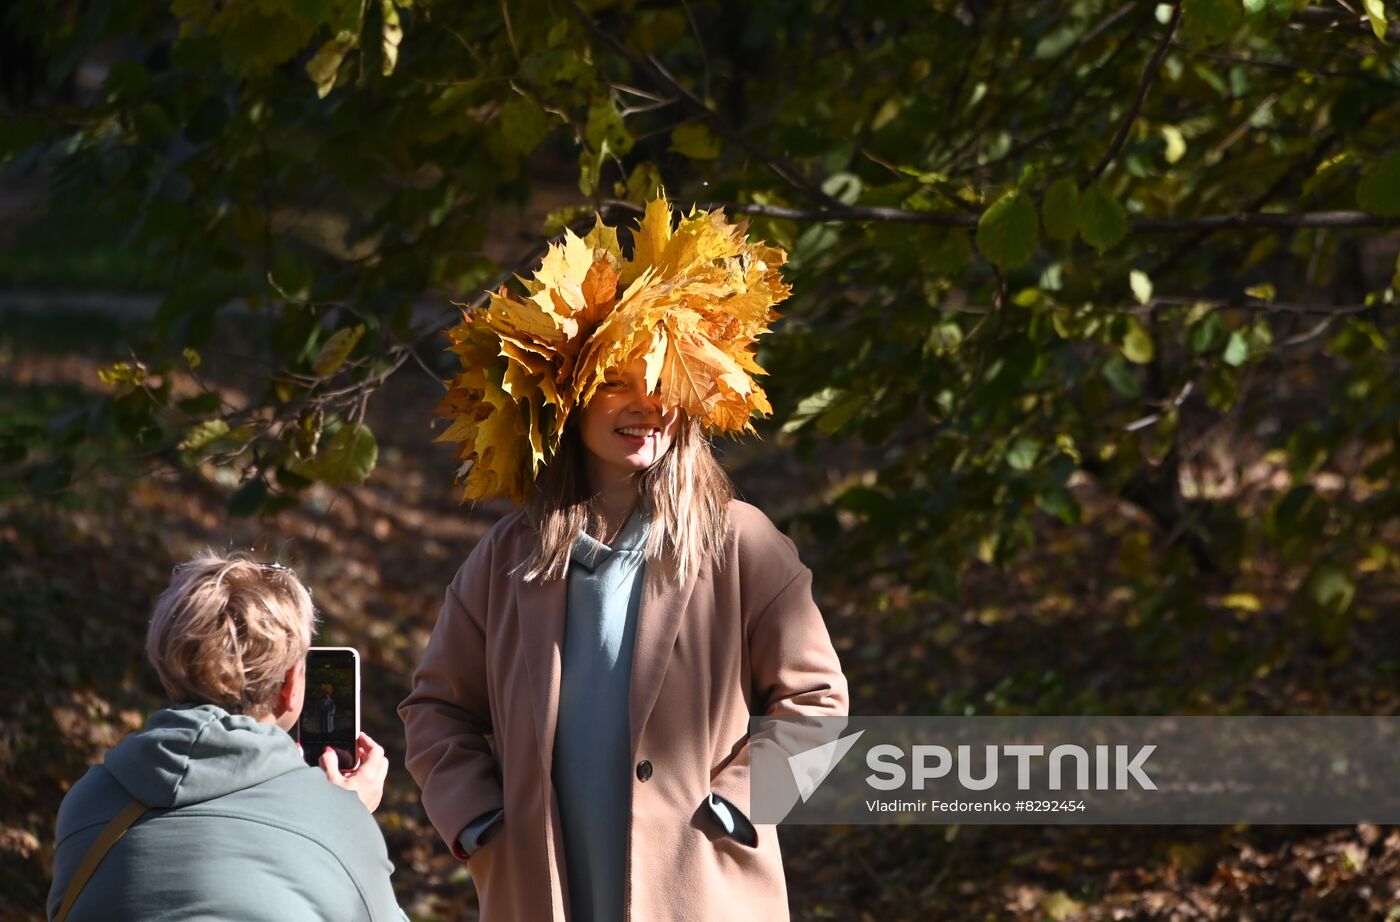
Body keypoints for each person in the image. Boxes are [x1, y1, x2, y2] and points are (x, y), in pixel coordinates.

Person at [400, 196, 850, 921]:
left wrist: (740, 804)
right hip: (545, 893)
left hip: (700, 894)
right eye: (616, 382)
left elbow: (818, 701)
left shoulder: (741, 543)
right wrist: (479, 819)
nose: (646, 405)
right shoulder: (506, 558)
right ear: (567, 399)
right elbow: (437, 709)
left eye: (663, 382)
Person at [47, 553, 407, 922]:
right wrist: (345, 818)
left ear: (166, 666)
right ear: (291, 685)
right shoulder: (339, 820)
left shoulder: (87, 800)